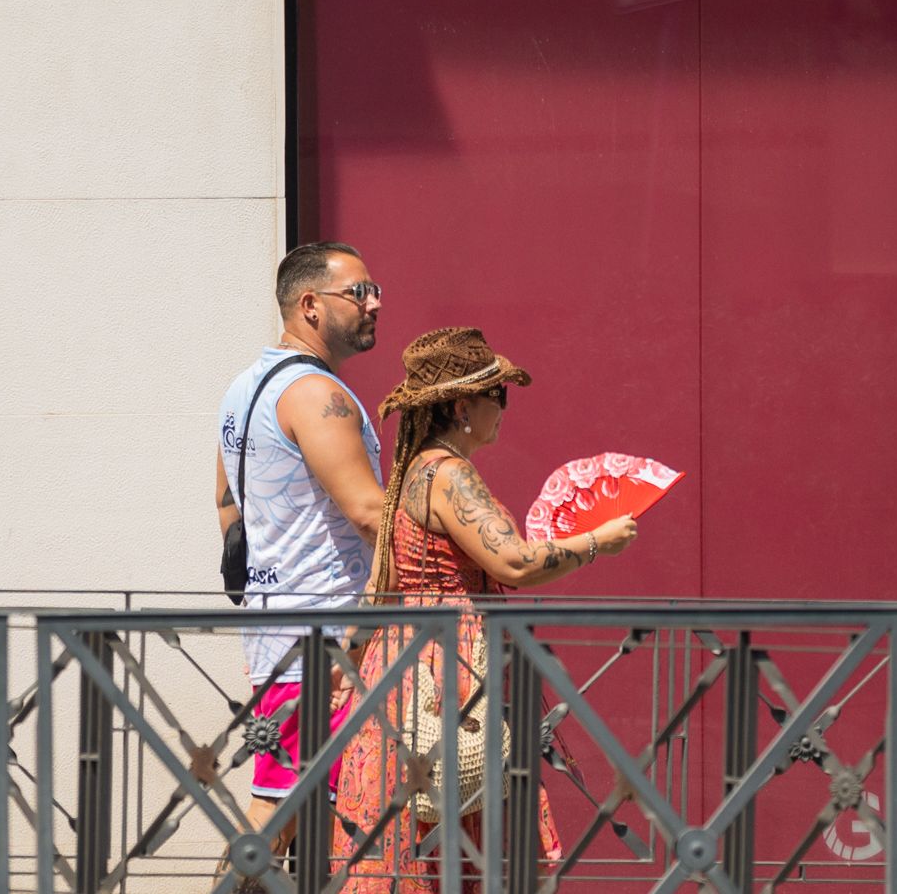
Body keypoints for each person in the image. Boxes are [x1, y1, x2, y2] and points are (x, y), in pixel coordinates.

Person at [330, 327, 638, 892]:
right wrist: (598, 540)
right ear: (461, 405)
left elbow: (382, 584)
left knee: (411, 831)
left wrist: (350, 660)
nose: (504, 410)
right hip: (445, 670)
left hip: (397, 666)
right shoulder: (449, 474)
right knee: (452, 819)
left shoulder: (412, 470)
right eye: (498, 396)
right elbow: (515, 564)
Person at [215, 241, 385, 853]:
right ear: (310, 305)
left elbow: (226, 505)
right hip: (328, 643)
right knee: (279, 817)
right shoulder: (317, 395)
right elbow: (369, 512)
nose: (374, 304)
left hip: (279, 635)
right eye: (360, 292)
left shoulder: (244, 388)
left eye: (375, 292)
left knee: (303, 816)